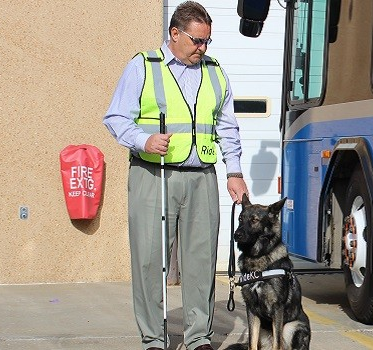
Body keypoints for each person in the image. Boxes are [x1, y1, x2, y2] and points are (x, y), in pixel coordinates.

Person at [103, 2, 248, 349]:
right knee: (150, 260)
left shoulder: (215, 72)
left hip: (202, 177)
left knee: (201, 260)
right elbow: (116, 118)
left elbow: (227, 126)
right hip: (153, 175)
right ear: (175, 33)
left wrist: (234, 171)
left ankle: (199, 338)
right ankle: (153, 338)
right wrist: (145, 140)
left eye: (207, 41)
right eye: (197, 40)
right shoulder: (143, 66)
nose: (203, 48)